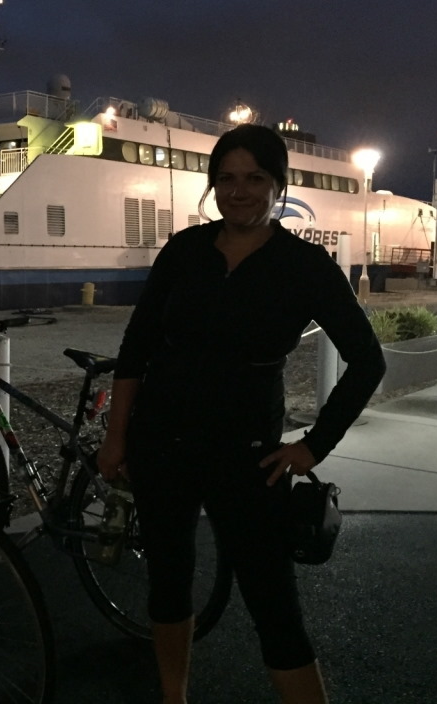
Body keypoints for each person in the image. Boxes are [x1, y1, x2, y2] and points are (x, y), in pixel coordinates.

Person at [97, 123, 386, 704]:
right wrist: (117, 436)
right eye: (226, 178)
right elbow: (136, 349)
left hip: (248, 457)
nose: (239, 191)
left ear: (277, 185)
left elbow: (367, 361)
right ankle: (172, 698)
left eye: (255, 178)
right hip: (162, 444)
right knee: (168, 584)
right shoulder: (184, 250)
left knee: (274, 606)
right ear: (213, 186)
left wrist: (313, 446)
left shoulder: (303, 265)